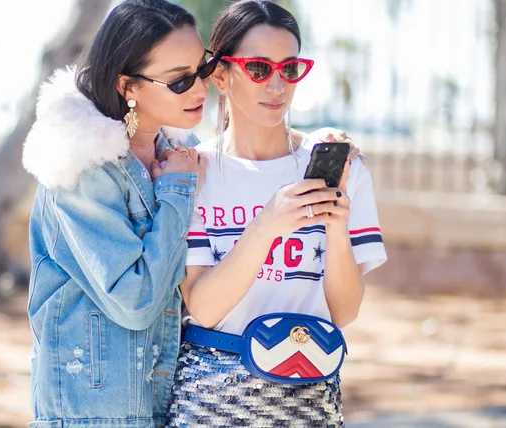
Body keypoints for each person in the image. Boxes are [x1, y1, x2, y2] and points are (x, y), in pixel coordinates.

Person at [165, 1, 388, 427]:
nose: (277, 85)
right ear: (222, 76)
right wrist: (269, 223)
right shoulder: (192, 171)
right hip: (212, 399)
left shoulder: (342, 168)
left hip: (309, 396)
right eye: (259, 68)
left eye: (289, 69)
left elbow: (344, 312)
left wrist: (336, 226)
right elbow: (205, 308)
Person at [22, 1, 210, 426]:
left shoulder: (179, 155)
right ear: (129, 86)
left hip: (165, 403)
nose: (200, 89)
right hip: (92, 414)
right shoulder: (82, 168)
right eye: (180, 81)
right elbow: (136, 300)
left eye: (203, 68)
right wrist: (177, 192)